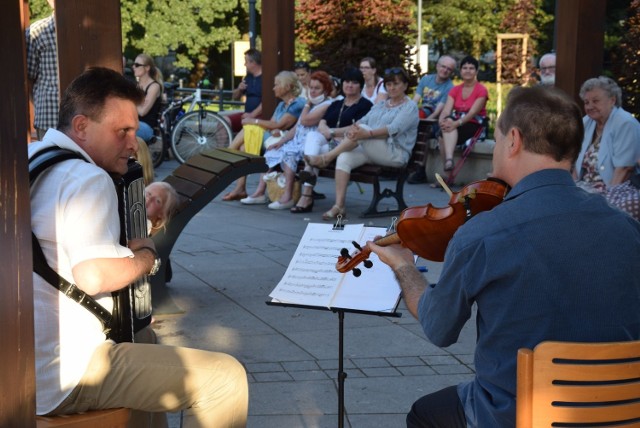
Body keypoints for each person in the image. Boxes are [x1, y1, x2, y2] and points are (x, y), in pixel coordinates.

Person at [367, 85, 640, 427]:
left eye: (496, 140)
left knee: (425, 414)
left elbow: (439, 328)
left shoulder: (484, 232)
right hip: (622, 409)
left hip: (522, 414)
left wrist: (404, 266)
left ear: (513, 140)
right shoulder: (626, 227)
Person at [29, 67, 248, 427]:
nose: (133, 143)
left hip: (22, 362)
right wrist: (147, 256)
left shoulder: (30, 157)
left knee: (145, 335)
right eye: (122, 132)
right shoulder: (88, 179)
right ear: (82, 126)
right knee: (225, 377)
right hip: (65, 374)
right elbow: (93, 276)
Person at [305, 67, 419, 220]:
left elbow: (394, 129)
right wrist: (354, 130)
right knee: (345, 156)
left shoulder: (409, 106)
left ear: (405, 85)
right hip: (373, 149)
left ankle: (326, 157)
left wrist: (366, 133)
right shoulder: (381, 104)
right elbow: (362, 121)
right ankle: (339, 206)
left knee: (363, 130)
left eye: (396, 84)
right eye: (389, 84)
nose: (391, 88)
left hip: (395, 153)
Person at [242, 71, 334, 210]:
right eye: (311, 88)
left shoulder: (325, 104)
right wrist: (282, 141)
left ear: (325, 90)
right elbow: (297, 128)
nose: (313, 91)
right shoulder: (309, 104)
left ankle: (288, 196)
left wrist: (308, 103)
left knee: (289, 152)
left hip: (312, 143)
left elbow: (304, 121)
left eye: (317, 88)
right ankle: (260, 193)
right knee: (273, 150)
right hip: (298, 140)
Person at [292, 67, 373, 213]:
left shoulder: (366, 105)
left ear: (360, 86)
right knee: (313, 138)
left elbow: (357, 126)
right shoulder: (337, 104)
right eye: (346, 82)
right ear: (342, 84)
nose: (349, 85)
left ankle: (306, 194)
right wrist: (325, 129)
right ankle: (309, 174)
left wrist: (331, 131)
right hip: (331, 143)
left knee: (316, 154)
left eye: (354, 83)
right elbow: (323, 122)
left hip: (349, 146)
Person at [223, 70, 306, 201]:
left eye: (277, 84)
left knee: (249, 128)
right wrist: (272, 128)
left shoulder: (298, 103)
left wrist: (254, 121)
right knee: (244, 147)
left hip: (285, 143)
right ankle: (240, 189)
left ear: (288, 86)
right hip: (273, 139)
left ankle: (227, 155)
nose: (274, 88)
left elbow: (280, 125)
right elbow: (273, 124)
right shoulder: (281, 105)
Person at [574, 76, 640, 193]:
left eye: (595, 101)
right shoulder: (585, 122)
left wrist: (609, 201)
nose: (589, 106)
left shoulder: (625, 123)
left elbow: (624, 169)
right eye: (586, 102)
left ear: (612, 100)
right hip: (583, 189)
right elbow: (573, 159)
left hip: (612, 191)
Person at [408, 55, 457, 183]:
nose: (445, 70)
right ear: (437, 66)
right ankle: (401, 167)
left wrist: (423, 122)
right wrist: (409, 115)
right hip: (422, 115)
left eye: (449, 69)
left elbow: (438, 111)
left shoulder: (449, 87)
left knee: (423, 130)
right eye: (443, 66)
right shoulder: (426, 80)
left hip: (436, 120)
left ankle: (420, 170)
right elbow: (415, 100)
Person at [437, 55, 488, 172]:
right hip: (455, 123)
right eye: (465, 68)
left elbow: (473, 113)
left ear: (476, 71)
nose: (468, 71)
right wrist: (442, 121)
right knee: (445, 126)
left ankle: (446, 171)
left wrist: (456, 123)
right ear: (460, 71)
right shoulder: (455, 90)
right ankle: (449, 163)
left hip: (474, 123)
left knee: (443, 133)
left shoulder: (481, 90)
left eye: (471, 68)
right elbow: (446, 110)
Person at [26, 0, 58, 141]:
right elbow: (28, 78)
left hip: (84, 119)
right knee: (48, 161)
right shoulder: (36, 32)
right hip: (48, 118)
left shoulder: (83, 30)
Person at [133, 53, 163, 144]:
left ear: (147, 68)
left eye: (137, 65)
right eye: (134, 65)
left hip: (146, 127)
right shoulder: (137, 85)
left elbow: (142, 112)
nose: (134, 67)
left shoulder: (154, 86)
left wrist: (130, 99)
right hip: (133, 122)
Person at [231, 48, 263, 122]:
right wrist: (239, 89)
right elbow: (235, 97)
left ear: (253, 63)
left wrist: (252, 115)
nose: (244, 64)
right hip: (246, 115)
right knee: (224, 122)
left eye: (246, 62)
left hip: (260, 117)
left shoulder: (265, 79)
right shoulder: (248, 77)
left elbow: (265, 102)